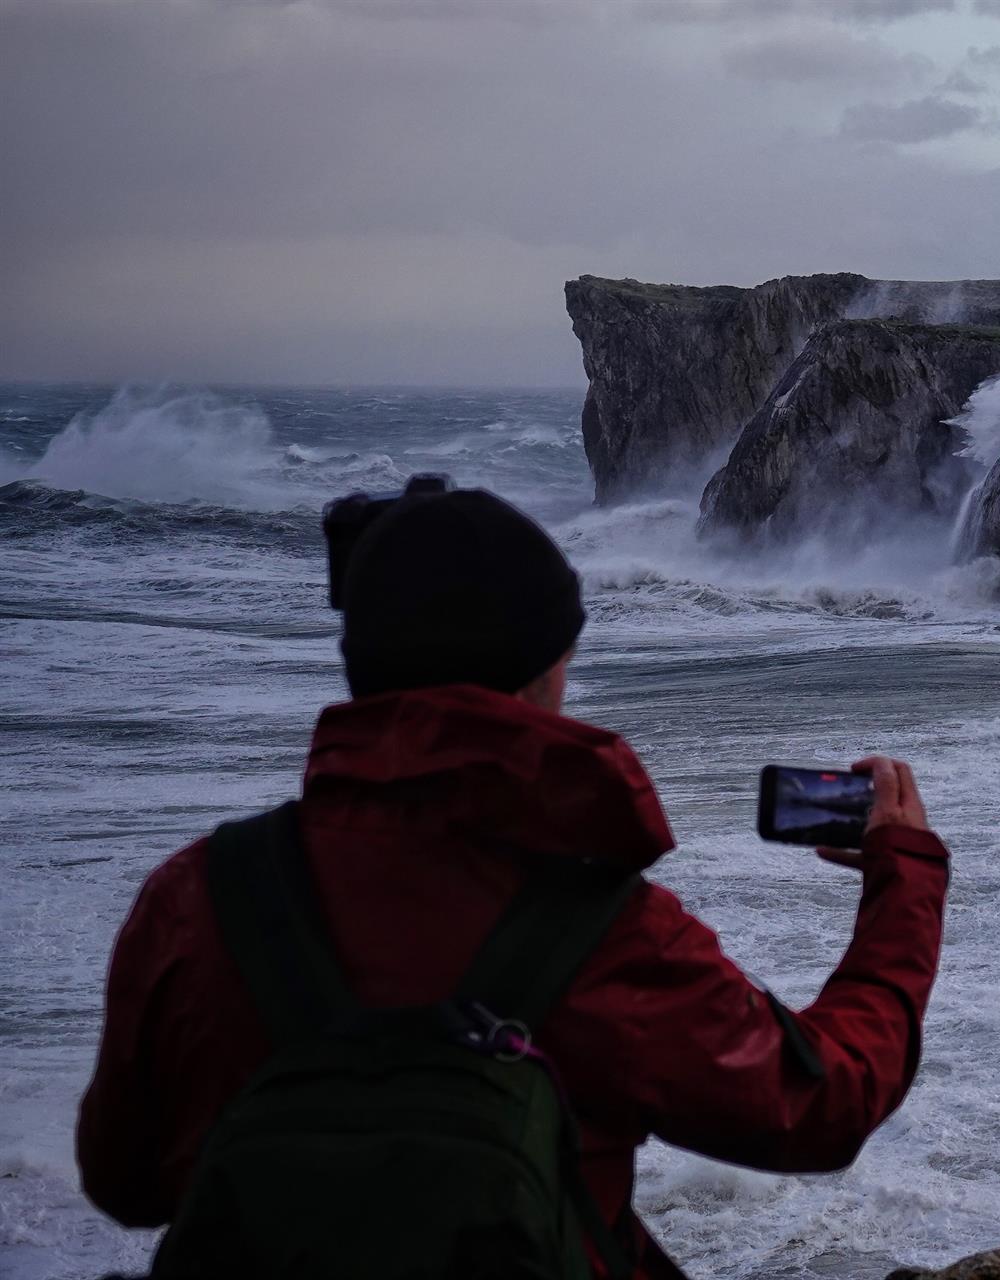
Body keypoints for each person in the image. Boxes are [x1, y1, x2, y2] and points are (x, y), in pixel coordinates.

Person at [75, 486, 951, 1278]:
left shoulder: (197, 897)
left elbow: (126, 1181)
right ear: (542, 672)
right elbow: (820, 1103)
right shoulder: (601, 930)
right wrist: (903, 880)